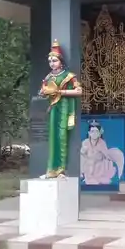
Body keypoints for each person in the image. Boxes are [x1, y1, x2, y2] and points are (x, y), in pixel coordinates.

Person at [37, 40, 82, 178]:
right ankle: (51, 169)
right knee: (53, 138)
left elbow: (79, 91)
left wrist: (60, 92)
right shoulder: (48, 77)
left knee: (62, 137)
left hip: (65, 108)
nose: (52, 63)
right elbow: (43, 91)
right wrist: (43, 93)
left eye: (54, 60)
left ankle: (61, 169)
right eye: (50, 61)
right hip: (54, 109)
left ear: (60, 61)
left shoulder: (69, 76)